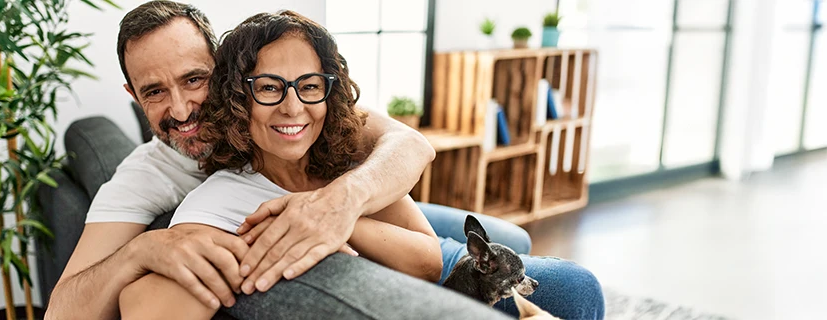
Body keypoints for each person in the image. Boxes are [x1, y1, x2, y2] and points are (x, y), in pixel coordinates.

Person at [44, 1, 603, 319]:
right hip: (320, 219)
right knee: (552, 279)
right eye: (154, 92)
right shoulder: (149, 180)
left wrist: (340, 204)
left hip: (353, 206)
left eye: (194, 79)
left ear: (229, 69)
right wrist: (143, 248)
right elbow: (74, 309)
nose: (184, 108)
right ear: (132, 96)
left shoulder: (302, 114)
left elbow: (411, 146)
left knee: (522, 248)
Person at [118, 10, 446, 318]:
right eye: (269, 88)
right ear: (237, 99)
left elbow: (431, 261)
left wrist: (329, 215)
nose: (293, 108)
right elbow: (143, 306)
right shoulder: (220, 200)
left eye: (309, 86)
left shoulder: (345, 154)